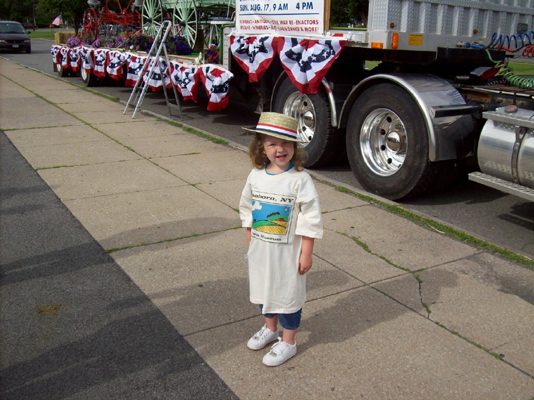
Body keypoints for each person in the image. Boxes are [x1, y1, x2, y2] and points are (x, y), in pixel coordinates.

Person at [239, 112, 323, 367]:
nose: (280, 149)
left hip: (288, 255)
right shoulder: (256, 176)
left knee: (287, 296)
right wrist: (250, 239)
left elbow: (310, 218)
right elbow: (247, 209)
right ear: (262, 147)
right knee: (265, 291)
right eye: (272, 143)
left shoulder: (300, 180)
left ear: (294, 147)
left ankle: (288, 341)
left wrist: (306, 253)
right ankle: (270, 328)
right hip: (261, 251)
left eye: (286, 143)